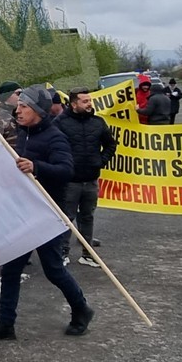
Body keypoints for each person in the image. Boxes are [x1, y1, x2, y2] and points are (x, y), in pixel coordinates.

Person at [0, 85, 94, 341]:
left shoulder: (55, 137)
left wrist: (36, 166)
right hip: (23, 212)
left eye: (24, 106)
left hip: (47, 214)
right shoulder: (23, 133)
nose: (18, 111)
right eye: (18, 106)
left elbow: (66, 170)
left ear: (38, 110)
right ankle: (5, 324)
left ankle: (81, 309)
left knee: (53, 270)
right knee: (11, 270)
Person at [56, 86, 117, 268]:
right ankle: (62, 253)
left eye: (90, 100)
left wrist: (100, 161)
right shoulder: (60, 123)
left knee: (87, 217)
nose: (89, 104)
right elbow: (54, 147)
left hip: (91, 180)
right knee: (67, 218)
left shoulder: (98, 122)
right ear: (74, 104)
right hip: (69, 182)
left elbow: (111, 145)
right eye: (85, 101)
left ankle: (88, 254)